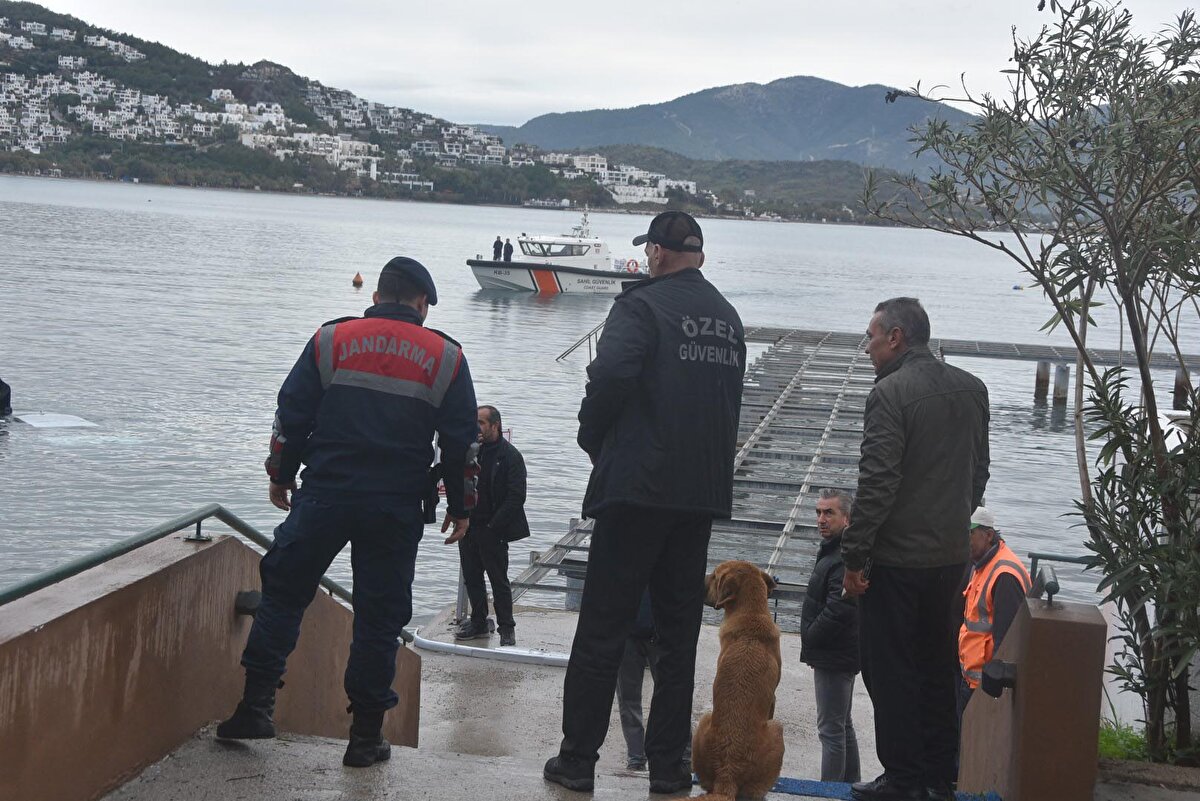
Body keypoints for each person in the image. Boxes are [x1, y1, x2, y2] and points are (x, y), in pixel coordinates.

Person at [215, 256, 479, 769]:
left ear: (377, 294)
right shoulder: (446, 356)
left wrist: (279, 473)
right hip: (395, 506)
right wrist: (462, 507)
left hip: (324, 496)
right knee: (379, 620)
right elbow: (460, 443)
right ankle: (364, 738)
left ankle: (256, 706)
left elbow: (291, 412)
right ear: (421, 302)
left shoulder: (330, 340)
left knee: (284, 593)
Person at [544, 211, 746, 794]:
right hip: (699, 496)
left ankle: (578, 759)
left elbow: (608, 378)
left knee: (603, 628)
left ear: (657, 253)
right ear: (700, 256)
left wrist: (592, 439)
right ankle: (669, 768)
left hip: (637, 492)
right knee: (678, 636)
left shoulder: (640, 306)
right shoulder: (728, 319)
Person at [841, 297, 989, 801]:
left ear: (896, 338)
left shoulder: (890, 393)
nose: (867, 349)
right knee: (936, 665)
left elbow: (877, 481)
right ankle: (939, 775)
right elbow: (979, 474)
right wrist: (953, 524)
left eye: (872, 337)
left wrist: (855, 556)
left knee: (890, 669)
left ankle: (902, 777)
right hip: (950, 557)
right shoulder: (973, 388)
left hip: (897, 560)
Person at [454, 404, 530, 647]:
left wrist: (494, 526)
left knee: (499, 580)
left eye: (481, 423)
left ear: (494, 426)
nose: (476, 427)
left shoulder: (511, 456)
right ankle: (478, 621)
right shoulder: (471, 451)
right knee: (472, 577)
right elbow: (457, 481)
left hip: (494, 528)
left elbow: (516, 497)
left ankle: (507, 627)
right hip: (470, 525)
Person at [800, 488, 861, 784]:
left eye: (829, 513)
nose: (821, 519)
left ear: (847, 518)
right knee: (842, 725)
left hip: (834, 654)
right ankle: (850, 786)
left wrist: (811, 635)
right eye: (818, 512)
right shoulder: (837, 551)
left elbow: (840, 609)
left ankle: (830, 792)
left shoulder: (840, 557)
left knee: (830, 730)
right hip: (840, 652)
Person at [957, 507, 1030, 720]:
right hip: (971, 677)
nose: (965, 539)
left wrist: (995, 685)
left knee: (973, 748)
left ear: (988, 535)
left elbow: (1007, 638)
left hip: (985, 686)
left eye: (970, 533)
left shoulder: (1004, 575)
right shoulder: (982, 564)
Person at [616, 590, 658, 771]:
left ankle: (636, 757)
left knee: (673, 696)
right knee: (628, 697)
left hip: (656, 629)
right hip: (631, 630)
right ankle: (636, 756)